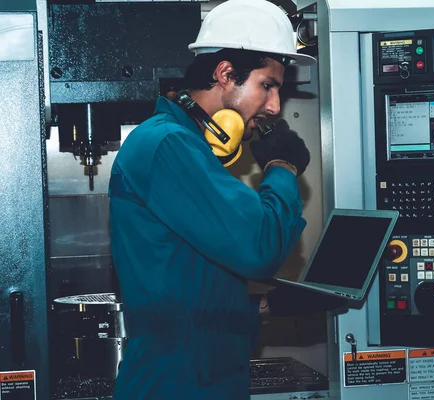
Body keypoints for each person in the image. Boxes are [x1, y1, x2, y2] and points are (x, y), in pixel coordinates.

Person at [108, 0, 344, 399]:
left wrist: (259, 306)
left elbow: (189, 277)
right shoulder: (169, 144)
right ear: (225, 74)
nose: (274, 106)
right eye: (267, 86)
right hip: (175, 387)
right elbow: (259, 247)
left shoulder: (187, 147)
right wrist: (282, 168)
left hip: (203, 380)